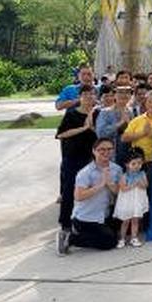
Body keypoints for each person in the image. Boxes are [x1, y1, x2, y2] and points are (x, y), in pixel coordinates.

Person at [57, 137, 121, 255]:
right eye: (102, 149)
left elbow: (119, 192)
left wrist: (110, 183)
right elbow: (78, 196)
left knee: (118, 234)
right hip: (86, 217)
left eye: (109, 149)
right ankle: (70, 238)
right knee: (110, 241)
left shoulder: (117, 169)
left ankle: (88, 234)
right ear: (94, 151)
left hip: (105, 215)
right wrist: (101, 185)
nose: (106, 152)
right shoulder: (85, 172)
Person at [55, 83, 98, 232]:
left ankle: (84, 222)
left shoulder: (98, 114)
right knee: (70, 190)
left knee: (90, 191)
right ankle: (66, 223)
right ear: (79, 97)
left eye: (91, 94)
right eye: (85, 95)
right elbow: (61, 134)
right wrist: (83, 128)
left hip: (92, 158)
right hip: (73, 157)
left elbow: (101, 135)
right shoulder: (72, 114)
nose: (88, 97)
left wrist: (92, 127)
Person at [121, 89, 152, 189]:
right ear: (145, 103)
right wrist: (142, 133)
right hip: (137, 162)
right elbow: (124, 138)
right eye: (150, 102)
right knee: (137, 189)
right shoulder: (137, 120)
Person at [114, 150, 150, 247]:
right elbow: (123, 188)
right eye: (133, 163)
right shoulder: (124, 176)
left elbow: (146, 185)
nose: (137, 166)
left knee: (135, 219)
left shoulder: (142, 174)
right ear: (127, 164)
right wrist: (133, 185)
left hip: (137, 200)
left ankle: (134, 238)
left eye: (139, 163)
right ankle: (122, 238)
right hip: (128, 200)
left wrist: (141, 184)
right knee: (126, 220)